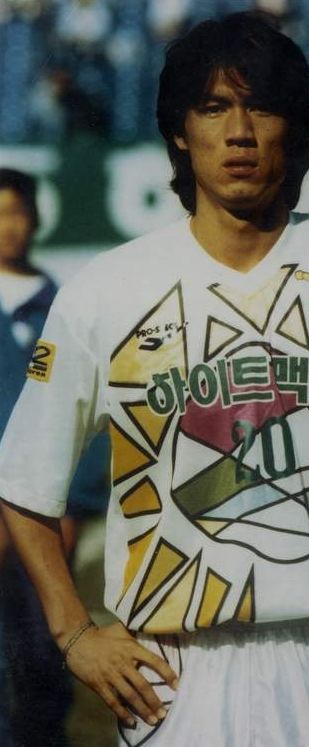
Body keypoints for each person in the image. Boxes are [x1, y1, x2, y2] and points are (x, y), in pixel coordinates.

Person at [0, 12, 309, 747]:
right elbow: (22, 478)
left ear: (295, 127)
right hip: (173, 674)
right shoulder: (105, 292)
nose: (238, 133)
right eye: (212, 108)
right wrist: (74, 633)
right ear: (178, 131)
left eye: (261, 106)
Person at [0, 167, 109, 747]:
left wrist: (70, 508)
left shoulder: (66, 309)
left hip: (43, 516)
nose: (7, 227)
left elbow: (95, 419)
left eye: (16, 213)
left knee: (43, 650)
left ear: (36, 219)